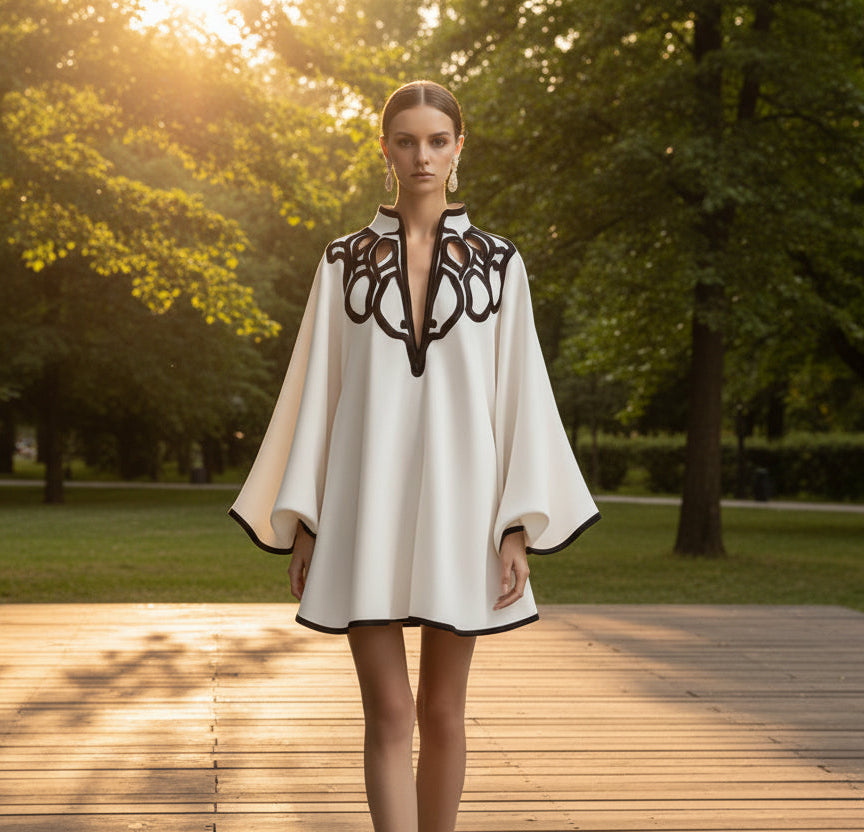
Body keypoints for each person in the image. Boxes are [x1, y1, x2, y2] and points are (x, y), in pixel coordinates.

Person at [229, 80, 600, 832]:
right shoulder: (341, 263)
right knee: (391, 709)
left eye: (437, 140)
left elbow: (520, 397)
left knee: (443, 707)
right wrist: (306, 520)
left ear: (460, 147)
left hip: (464, 511)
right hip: (365, 509)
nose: (421, 155)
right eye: (406, 140)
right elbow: (316, 394)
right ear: (384, 149)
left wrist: (516, 527)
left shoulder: (502, 266)